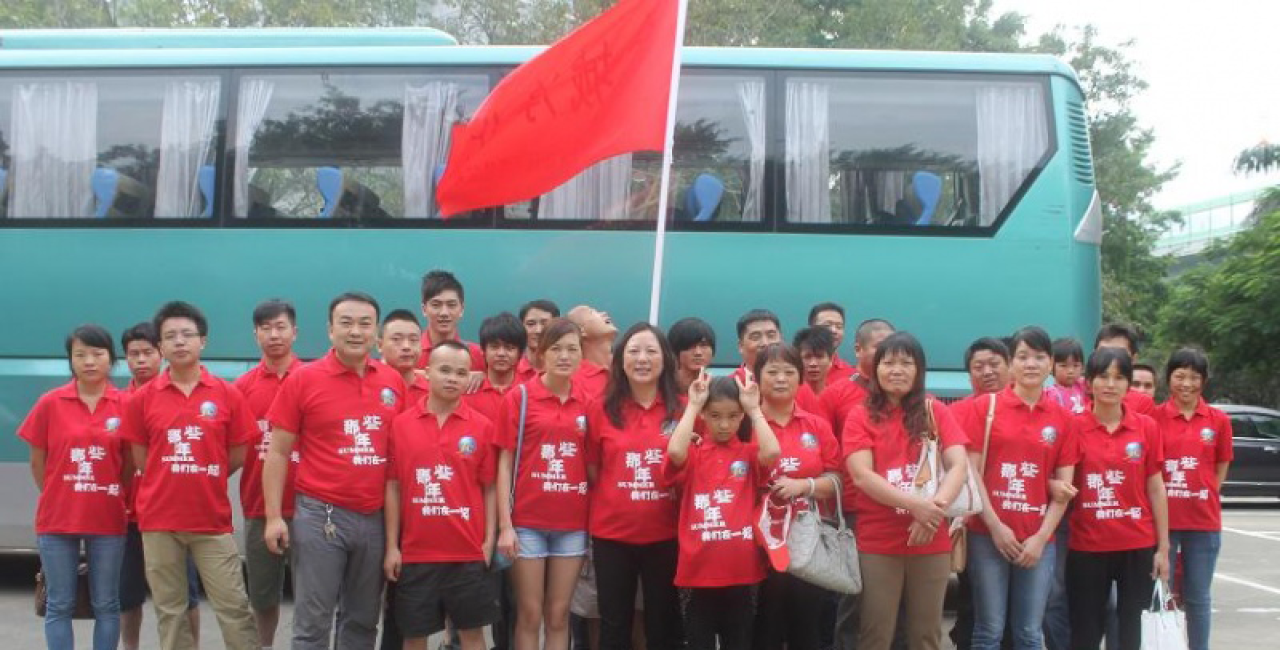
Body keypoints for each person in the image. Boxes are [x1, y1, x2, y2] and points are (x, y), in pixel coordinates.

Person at [263, 291, 407, 650]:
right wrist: (273, 517)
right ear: (330, 330)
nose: (355, 331)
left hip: (373, 518)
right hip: (319, 515)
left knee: (361, 620)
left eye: (364, 324)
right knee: (313, 622)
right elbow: (278, 452)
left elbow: (395, 464)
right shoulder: (304, 380)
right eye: (346, 323)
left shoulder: (392, 383)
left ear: (377, 333)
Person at [120, 301, 259, 650]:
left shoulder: (227, 394)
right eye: (170, 336)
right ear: (161, 346)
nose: (179, 342)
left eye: (187, 334)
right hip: (158, 521)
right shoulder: (142, 399)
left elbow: (239, 452)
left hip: (210, 521)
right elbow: (141, 459)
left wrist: (204, 473)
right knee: (170, 611)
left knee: (234, 607)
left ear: (203, 341)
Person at [842, 332, 968, 650]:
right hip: (878, 543)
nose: (897, 369)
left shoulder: (936, 411)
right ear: (875, 369)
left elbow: (959, 465)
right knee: (875, 634)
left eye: (906, 362)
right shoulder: (860, 415)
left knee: (926, 636)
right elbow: (862, 476)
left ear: (919, 370)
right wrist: (917, 506)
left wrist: (932, 509)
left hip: (931, 540)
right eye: (889, 362)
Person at [956, 327, 1078, 650]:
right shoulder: (986, 408)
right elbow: (971, 471)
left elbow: (1064, 488)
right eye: (1023, 357)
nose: (1031, 364)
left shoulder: (1064, 419)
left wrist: (1041, 538)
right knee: (988, 630)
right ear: (1011, 364)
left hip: (1039, 539)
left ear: (1051, 364)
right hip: (987, 535)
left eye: (1039, 357)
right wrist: (995, 527)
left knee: (1028, 632)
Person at [385, 341, 501, 650]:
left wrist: (488, 541)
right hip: (416, 553)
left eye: (461, 373)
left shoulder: (482, 427)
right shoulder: (400, 425)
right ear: (428, 373)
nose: (453, 378)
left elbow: (489, 487)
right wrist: (391, 547)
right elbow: (393, 486)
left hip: (466, 552)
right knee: (414, 636)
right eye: (445, 370)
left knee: (473, 636)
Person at [19, 325, 128, 650]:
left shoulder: (126, 404)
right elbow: (38, 462)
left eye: (97, 353)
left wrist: (109, 492)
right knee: (59, 604)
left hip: (108, 520)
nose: (89, 361)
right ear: (70, 361)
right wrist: (59, 492)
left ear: (111, 359)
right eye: (80, 355)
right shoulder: (50, 403)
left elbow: (129, 465)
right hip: (57, 520)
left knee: (107, 604)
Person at [665, 372, 781, 650]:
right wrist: (692, 406)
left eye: (733, 416)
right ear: (704, 415)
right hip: (697, 573)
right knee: (698, 642)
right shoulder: (694, 453)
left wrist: (754, 410)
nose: (724, 424)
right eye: (715, 415)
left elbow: (773, 453)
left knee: (739, 642)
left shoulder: (748, 454)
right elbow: (675, 454)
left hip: (743, 573)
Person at [495, 318, 593, 650]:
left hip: (573, 524)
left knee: (559, 614)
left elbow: (593, 465)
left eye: (572, 349)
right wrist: (505, 526)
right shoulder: (520, 397)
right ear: (541, 354)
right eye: (556, 349)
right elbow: (504, 463)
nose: (564, 356)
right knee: (529, 613)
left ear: (582, 355)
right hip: (526, 524)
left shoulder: (588, 402)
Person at [586, 323, 684, 650]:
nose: (642, 359)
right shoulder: (600, 409)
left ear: (665, 360)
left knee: (662, 623)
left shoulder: (684, 409)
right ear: (620, 360)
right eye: (633, 351)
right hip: (612, 536)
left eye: (651, 351)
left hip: (666, 535)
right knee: (614, 623)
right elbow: (593, 469)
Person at [1066, 346, 1170, 650]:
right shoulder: (1072, 426)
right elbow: (1061, 481)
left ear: (1128, 384)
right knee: (1085, 631)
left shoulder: (1146, 427)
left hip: (1137, 544)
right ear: (1088, 382)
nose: (1110, 385)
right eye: (1102, 376)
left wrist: (1162, 547)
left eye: (1119, 377)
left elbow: (1156, 487)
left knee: (1132, 632)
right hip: (1087, 545)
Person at [117, 323, 203, 650]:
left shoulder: (178, 397)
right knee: (129, 594)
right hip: (128, 516)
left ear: (162, 353)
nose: (141, 360)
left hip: (173, 516)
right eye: (133, 354)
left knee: (185, 595)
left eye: (147, 353)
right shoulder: (117, 401)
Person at [751, 343, 841, 650]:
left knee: (807, 624)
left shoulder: (816, 425)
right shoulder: (742, 425)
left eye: (789, 372)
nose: (781, 379)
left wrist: (805, 486)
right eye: (772, 372)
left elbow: (836, 478)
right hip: (757, 543)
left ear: (800, 379)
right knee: (764, 624)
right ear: (756, 377)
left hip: (807, 541)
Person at [820, 317, 894, 650]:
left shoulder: (904, 393)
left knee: (896, 594)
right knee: (853, 592)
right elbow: (825, 453)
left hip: (898, 508)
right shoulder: (838, 394)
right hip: (852, 508)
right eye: (878, 345)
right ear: (858, 349)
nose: (887, 353)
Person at [233, 299, 302, 649]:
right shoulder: (241, 388)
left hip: (310, 506)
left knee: (310, 595)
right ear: (255, 334)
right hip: (260, 507)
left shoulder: (310, 380)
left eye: (281, 327)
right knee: (262, 595)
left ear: (295, 332)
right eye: (266, 328)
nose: (274, 335)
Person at [1153, 348, 1231, 650]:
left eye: (1194, 377)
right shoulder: (1154, 417)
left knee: (1198, 597)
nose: (1186, 383)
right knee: (1161, 594)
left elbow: (1222, 463)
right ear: (1168, 377)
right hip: (1163, 524)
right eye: (1180, 375)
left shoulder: (1218, 420)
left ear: (1204, 380)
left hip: (1203, 521)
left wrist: (1205, 489)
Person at [948, 336, 1012, 650]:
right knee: (972, 603)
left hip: (1020, 523)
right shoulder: (958, 412)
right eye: (978, 366)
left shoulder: (1030, 411)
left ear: (1009, 366)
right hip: (974, 525)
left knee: (1018, 612)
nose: (987, 372)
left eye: (994, 364)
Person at [733, 310, 822, 415]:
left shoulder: (797, 386)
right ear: (740, 346)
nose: (765, 343)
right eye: (756, 337)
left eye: (771, 335)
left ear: (781, 338)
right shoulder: (731, 385)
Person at [417, 270, 486, 371]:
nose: (444, 313)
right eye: (436, 305)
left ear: (462, 309)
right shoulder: (410, 354)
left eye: (451, 305)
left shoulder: (478, 355)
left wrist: (483, 375)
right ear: (424, 309)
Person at [467, 312, 527, 422]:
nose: (501, 353)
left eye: (509, 348)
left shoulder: (528, 392)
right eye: (494, 347)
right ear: (482, 350)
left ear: (520, 353)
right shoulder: (468, 390)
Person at [1091, 324, 1156, 416]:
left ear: (1133, 359)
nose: (1111, 358)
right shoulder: (1074, 393)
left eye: (1120, 353)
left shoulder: (1142, 403)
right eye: (1103, 352)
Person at [567, 305, 617, 399]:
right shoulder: (574, 380)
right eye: (592, 312)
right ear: (581, 331)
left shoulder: (627, 369)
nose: (604, 314)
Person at [380, 309, 431, 401]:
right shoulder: (369, 386)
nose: (406, 347)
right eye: (397, 339)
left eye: (413, 340)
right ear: (380, 345)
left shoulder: (432, 392)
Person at [808, 302, 856, 383]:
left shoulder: (851, 375)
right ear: (811, 328)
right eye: (827, 325)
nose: (834, 331)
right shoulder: (795, 367)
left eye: (839, 327)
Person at [667, 317, 716, 393]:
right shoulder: (661, 388)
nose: (698, 352)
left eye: (703, 345)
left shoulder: (718, 389)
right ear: (674, 351)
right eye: (690, 346)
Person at [517, 299, 560, 382]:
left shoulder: (568, 370)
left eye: (544, 323)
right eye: (531, 324)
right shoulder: (510, 371)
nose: (538, 330)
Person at [1044, 338, 1086, 415]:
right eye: (1063, 366)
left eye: (1076, 365)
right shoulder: (1051, 394)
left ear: (1083, 367)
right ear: (1051, 367)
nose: (1070, 371)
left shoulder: (1082, 386)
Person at [792, 326, 838, 396]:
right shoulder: (789, 397)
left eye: (819, 356)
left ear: (831, 359)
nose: (813, 364)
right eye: (807, 357)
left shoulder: (838, 397)